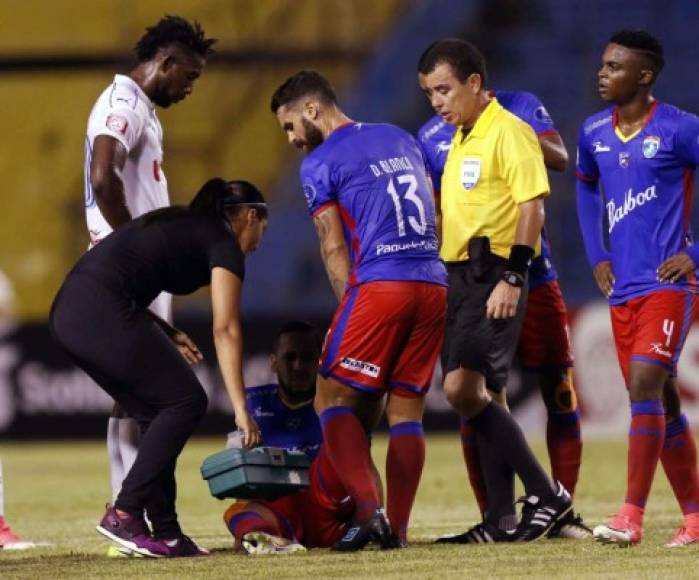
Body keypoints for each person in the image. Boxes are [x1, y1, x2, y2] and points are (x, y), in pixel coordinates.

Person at [271, 70, 448, 550]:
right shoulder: (400, 136)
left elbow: (332, 246)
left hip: (380, 283)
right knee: (407, 409)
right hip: (432, 279)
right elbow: (435, 208)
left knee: (329, 397)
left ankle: (371, 515)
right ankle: (401, 532)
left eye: (289, 126)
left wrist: (355, 302)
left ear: (312, 110)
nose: (290, 140)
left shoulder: (319, 163)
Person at [50, 178, 267, 557]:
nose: (261, 239)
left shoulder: (187, 224)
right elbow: (226, 329)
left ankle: (166, 532)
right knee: (186, 402)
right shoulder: (222, 241)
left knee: (157, 410)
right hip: (97, 309)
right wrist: (241, 411)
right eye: (263, 226)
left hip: (71, 311)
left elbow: (127, 273)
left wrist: (166, 330)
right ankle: (125, 512)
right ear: (251, 216)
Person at [417, 38, 574, 542]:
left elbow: (532, 206)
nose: (437, 102)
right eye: (429, 94)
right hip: (461, 276)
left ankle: (549, 496)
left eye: (443, 90)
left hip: (496, 271)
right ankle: (500, 522)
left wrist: (513, 275)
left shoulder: (508, 128)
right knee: (478, 394)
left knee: (465, 390)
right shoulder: (462, 135)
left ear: (474, 83)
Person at [83, 15, 215, 515]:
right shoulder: (122, 105)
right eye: (190, 76)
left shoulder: (139, 108)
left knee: (134, 394)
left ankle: (130, 505)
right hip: (129, 270)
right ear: (166, 61)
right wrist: (135, 245)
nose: (190, 88)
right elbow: (103, 177)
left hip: (136, 269)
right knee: (152, 392)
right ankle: (131, 511)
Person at [577, 30, 699, 547]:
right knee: (664, 401)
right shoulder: (592, 132)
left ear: (643, 75)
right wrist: (598, 256)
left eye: (614, 66)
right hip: (622, 288)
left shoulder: (680, 129)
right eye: (603, 65)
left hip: (671, 285)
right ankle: (695, 516)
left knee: (643, 385)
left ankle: (630, 516)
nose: (602, 73)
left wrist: (693, 254)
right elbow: (584, 185)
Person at [246, 321, 323, 459]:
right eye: (290, 357)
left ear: (320, 362)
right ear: (274, 363)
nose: (298, 367)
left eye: (307, 358)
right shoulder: (250, 405)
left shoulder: (334, 409)